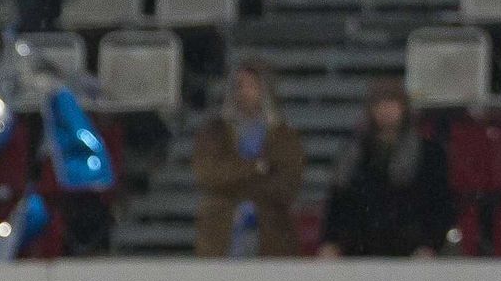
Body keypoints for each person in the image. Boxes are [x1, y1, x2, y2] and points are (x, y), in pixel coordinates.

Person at [318, 82, 453, 259]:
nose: (386, 110)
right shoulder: (353, 154)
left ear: (404, 108)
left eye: (392, 103)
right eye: (379, 104)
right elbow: (338, 202)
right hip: (359, 253)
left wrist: (430, 244)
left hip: (410, 253)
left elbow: (440, 204)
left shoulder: (428, 154)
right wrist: (331, 242)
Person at [192, 62, 304, 258]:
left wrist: (240, 184)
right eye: (240, 86)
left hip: (270, 233)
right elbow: (208, 175)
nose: (245, 92)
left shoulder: (284, 137)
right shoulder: (215, 133)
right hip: (220, 235)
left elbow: (288, 184)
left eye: (252, 86)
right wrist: (255, 168)